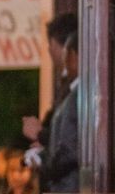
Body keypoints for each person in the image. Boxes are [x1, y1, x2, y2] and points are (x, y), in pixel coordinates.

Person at [21, 13, 77, 148]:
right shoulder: (68, 84)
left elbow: (69, 142)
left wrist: (40, 133)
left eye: (50, 44)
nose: (49, 50)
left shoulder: (78, 87)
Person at [37, 30, 79, 192]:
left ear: (74, 56)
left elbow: (70, 150)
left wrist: (46, 165)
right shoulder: (72, 93)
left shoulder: (78, 96)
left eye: (66, 54)